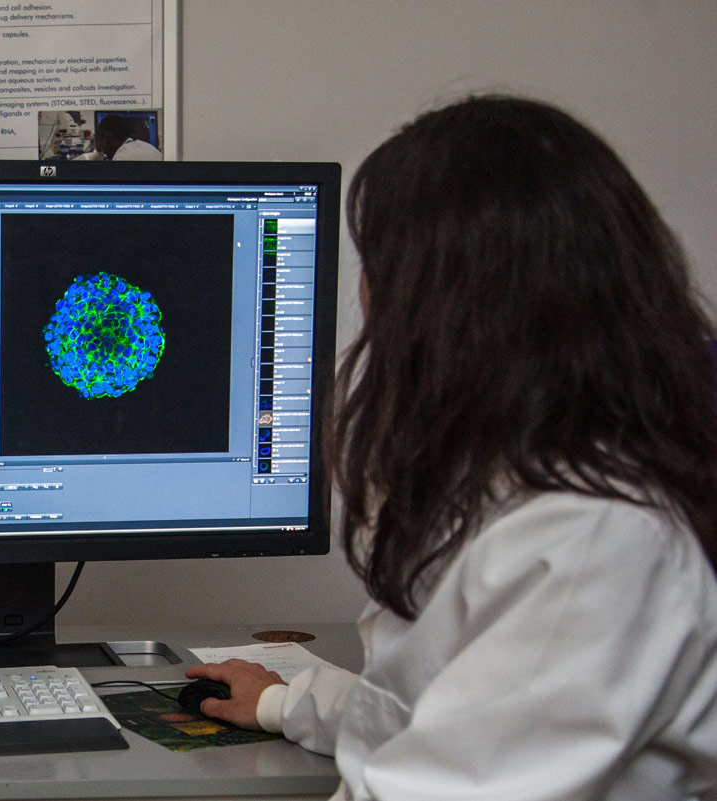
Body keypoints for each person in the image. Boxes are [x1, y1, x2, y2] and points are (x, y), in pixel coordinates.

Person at [186, 95, 717, 800]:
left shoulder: (592, 540)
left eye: (377, 262)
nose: (366, 296)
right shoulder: (500, 478)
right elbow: (440, 712)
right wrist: (284, 702)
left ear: (443, 299)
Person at [92, 113, 162, 161]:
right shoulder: (147, 146)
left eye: (100, 141)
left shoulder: (121, 158)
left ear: (107, 138)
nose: (100, 147)